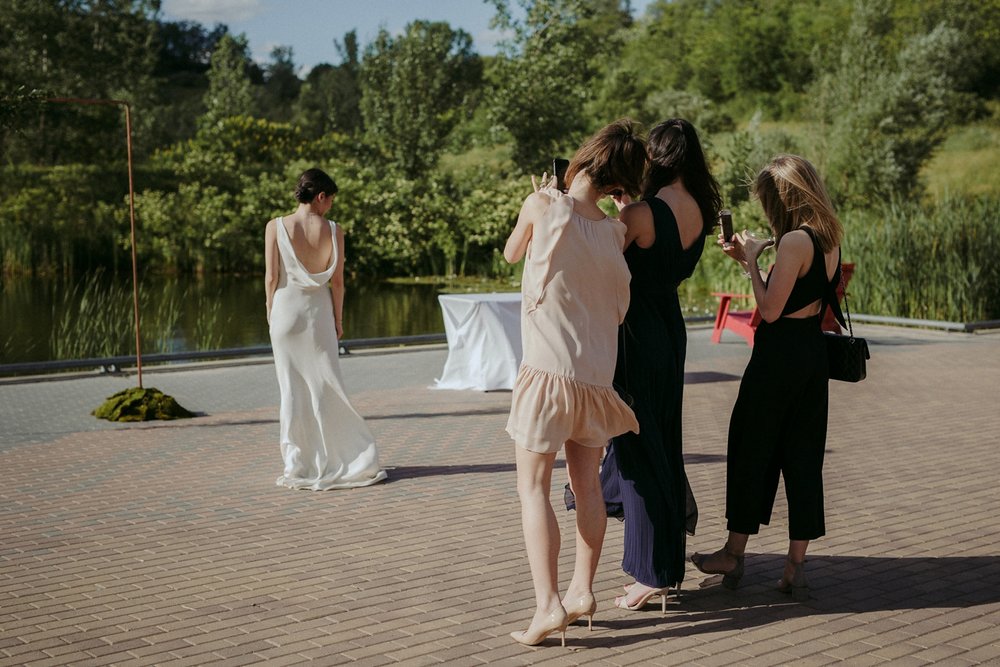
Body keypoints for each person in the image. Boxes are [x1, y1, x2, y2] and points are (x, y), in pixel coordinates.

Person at [567, 119, 722, 611]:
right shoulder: (701, 208)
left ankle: (652, 573)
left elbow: (596, 259)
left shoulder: (641, 212)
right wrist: (626, 213)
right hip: (670, 332)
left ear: (654, 158)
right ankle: (663, 564)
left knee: (636, 446)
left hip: (633, 335)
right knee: (660, 439)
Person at [504, 120, 645, 647]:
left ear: (584, 159)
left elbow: (512, 253)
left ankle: (547, 606)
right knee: (585, 486)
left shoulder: (544, 206)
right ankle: (582, 591)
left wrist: (540, 195)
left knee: (533, 489)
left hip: (546, 374)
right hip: (594, 378)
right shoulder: (616, 231)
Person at [691, 154, 844, 601]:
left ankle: (733, 553)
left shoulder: (795, 241)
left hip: (778, 358)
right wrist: (755, 256)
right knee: (802, 455)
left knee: (750, 447)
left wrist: (751, 263)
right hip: (811, 357)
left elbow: (771, 311)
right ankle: (795, 565)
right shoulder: (829, 236)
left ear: (783, 197)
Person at [264, 168, 388, 490]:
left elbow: (271, 278)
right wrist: (338, 320)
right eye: (330, 200)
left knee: (291, 391)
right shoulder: (334, 231)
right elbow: (337, 283)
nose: (331, 206)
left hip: (285, 315)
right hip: (318, 316)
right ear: (320, 196)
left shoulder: (275, 227)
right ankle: (350, 457)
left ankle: (299, 464)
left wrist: (270, 312)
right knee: (328, 386)